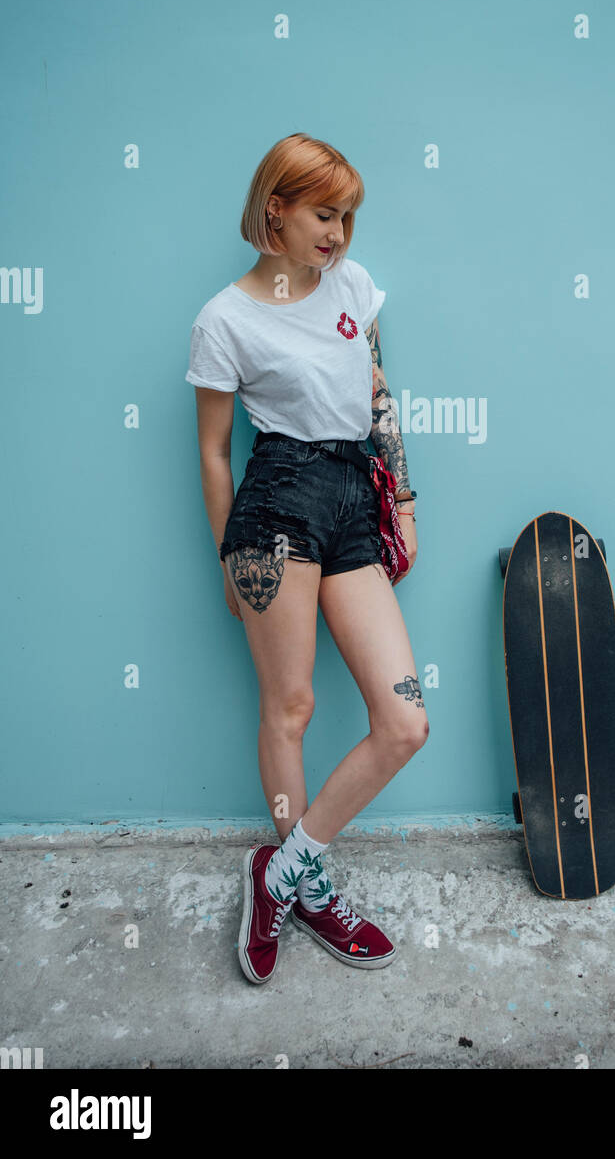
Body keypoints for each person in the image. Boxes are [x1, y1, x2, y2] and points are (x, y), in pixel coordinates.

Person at [185, 133, 424, 983]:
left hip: (353, 499)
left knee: (404, 723)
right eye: (325, 214)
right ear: (275, 211)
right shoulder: (224, 319)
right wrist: (227, 558)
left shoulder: (354, 287)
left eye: (348, 216)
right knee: (289, 709)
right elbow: (216, 452)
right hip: (275, 505)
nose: (339, 234)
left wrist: (400, 497)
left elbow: (377, 392)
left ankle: (277, 873)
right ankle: (309, 883)